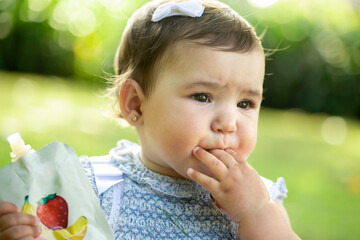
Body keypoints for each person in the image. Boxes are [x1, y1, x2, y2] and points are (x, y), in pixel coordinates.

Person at [0, 0, 300, 239]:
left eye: (245, 103)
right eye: (202, 96)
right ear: (136, 105)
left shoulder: (262, 197)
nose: (228, 122)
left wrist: (255, 213)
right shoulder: (94, 185)